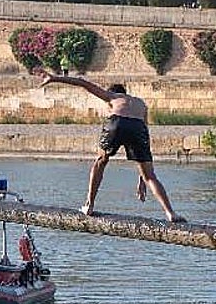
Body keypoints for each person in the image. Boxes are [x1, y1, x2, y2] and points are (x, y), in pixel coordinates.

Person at [35, 67, 184, 223]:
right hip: (138, 127)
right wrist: (142, 180)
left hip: (117, 124)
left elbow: (82, 83)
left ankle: (89, 204)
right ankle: (170, 213)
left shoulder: (112, 96)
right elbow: (145, 133)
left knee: (100, 161)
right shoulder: (141, 104)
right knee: (150, 176)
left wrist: (55, 78)